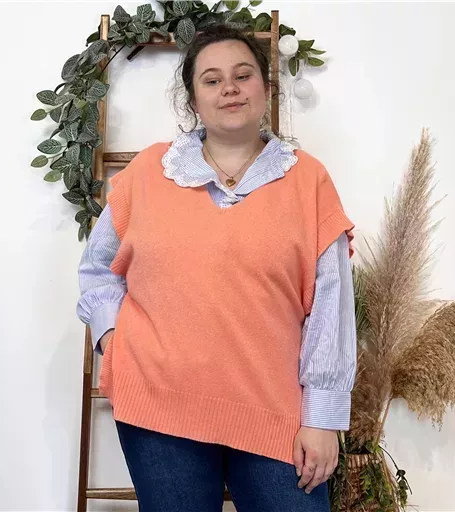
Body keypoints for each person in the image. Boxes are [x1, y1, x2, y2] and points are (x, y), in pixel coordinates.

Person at [76, 23, 357, 512]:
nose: (230, 88)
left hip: (275, 413)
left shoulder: (308, 180)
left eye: (243, 75)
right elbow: (98, 268)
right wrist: (113, 340)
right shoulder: (148, 173)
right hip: (159, 407)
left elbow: (330, 303)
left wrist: (323, 418)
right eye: (212, 79)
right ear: (193, 98)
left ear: (265, 89)